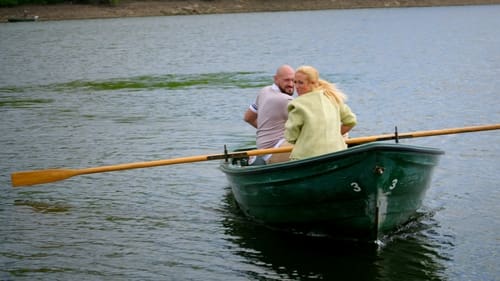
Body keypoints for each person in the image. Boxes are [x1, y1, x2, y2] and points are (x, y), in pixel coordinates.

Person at [284, 65, 357, 160]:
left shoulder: (297, 104)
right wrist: (335, 135)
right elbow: (351, 121)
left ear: (312, 83)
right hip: (338, 153)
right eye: (295, 82)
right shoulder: (332, 97)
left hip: (307, 157)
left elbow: (291, 136)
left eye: (301, 83)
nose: (296, 86)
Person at [243, 64, 295, 164]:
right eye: (286, 80)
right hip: (275, 151)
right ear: (275, 79)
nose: (291, 84)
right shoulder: (286, 100)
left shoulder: (264, 91)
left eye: (293, 80)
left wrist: (267, 129)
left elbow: (248, 117)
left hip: (263, 150)